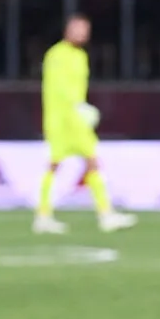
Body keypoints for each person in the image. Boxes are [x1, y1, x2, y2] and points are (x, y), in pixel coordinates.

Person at [32, 14, 137, 234]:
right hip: (61, 119)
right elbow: (58, 86)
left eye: (85, 30)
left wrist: (81, 108)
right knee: (56, 164)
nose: (82, 34)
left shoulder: (80, 56)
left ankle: (104, 214)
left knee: (91, 161)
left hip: (76, 120)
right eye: (78, 29)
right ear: (67, 30)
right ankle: (44, 215)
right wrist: (77, 105)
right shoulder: (56, 54)